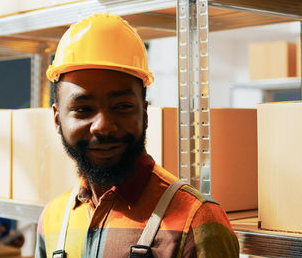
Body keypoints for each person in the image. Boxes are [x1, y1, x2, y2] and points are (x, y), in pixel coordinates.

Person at [35, 13, 239, 258]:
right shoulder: (52, 221)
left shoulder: (196, 222)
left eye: (121, 106)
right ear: (58, 119)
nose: (102, 126)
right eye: (83, 109)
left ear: (144, 113)